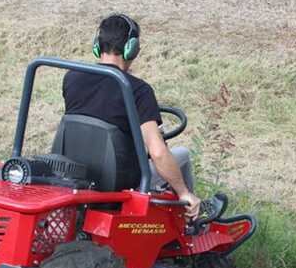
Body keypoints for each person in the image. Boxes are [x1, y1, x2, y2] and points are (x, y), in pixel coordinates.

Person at [62, 13, 202, 219]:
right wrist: (183, 192)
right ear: (132, 49)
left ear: (97, 45)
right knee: (182, 155)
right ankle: (189, 223)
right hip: (118, 182)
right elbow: (158, 152)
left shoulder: (72, 77)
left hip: (75, 174)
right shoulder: (137, 90)